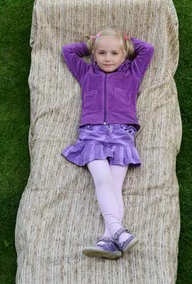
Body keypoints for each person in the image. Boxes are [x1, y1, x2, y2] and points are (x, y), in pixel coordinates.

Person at [61, 28, 155, 260]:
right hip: (92, 133)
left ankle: (108, 239)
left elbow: (147, 50)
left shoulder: (132, 72)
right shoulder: (86, 72)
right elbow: (68, 51)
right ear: (94, 55)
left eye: (114, 53)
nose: (108, 58)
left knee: (114, 187)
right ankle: (119, 232)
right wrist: (91, 43)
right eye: (101, 53)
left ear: (124, 55)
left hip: (122, 133)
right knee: (102, 179)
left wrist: (126, 40)